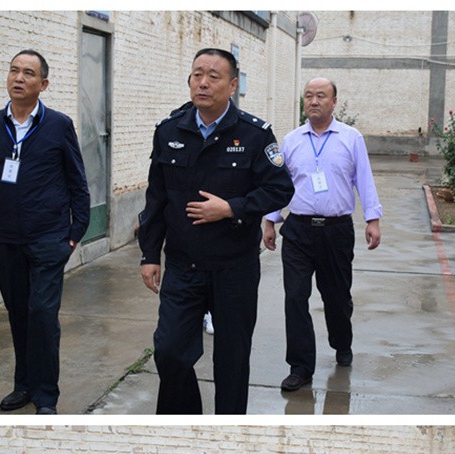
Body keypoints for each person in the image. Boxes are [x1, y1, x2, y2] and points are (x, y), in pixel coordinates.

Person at [138, 48, 294, 415]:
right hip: (183, 265)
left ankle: (228, 429)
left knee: (232, 360)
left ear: (232, 85)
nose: (203, 83)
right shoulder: (169, 131)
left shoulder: (254, 134)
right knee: (170, 352)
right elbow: (156, 199)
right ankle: (184, 424)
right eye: (197, 74)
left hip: (234, 267)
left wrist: (231, 208)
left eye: (213, 76)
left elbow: (280, 189)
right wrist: (149, 254)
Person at [0, 49, 90, 415]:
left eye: (28, 73)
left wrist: (76, 232)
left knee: (42, 315)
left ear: (43, 84)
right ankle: (23, 385)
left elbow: (77, 181)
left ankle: (46, 397)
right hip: (7, 239)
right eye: (13, 71)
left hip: (49, 238)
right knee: (19, 314)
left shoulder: (58, 125)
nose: (18, 78)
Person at [263, 78, 383, 392]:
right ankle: (300, 367)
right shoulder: (291, 140)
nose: (314, 101)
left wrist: (372, 219)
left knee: (337, 297)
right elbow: (279, 184)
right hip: (298, 231)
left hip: (336, 231)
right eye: (309, 96)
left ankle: (342, 342)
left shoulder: (351, 138)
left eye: (321, 96)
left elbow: (364, 180)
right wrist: (270, 220)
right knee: (295, 298)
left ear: (334, 102)